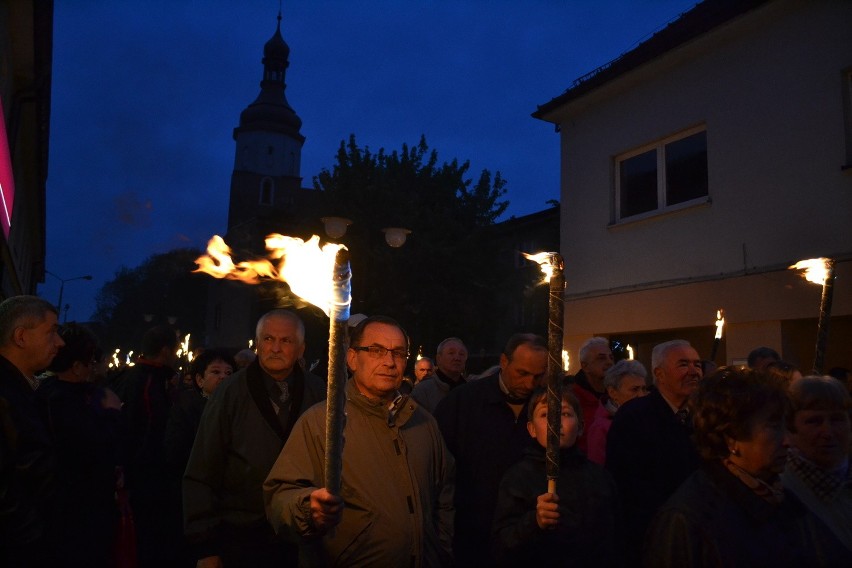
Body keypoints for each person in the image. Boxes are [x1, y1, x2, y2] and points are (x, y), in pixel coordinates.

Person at [264, 315, 454, 566]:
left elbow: (445, 495)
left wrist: (440, 552)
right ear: (352, 359)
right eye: (376, 351)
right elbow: (280, 497)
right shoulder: (322, 422)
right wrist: (308, 509)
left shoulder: (424, 422)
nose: (389, 361)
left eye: (398, 353)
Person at [645, 367, 849, 566]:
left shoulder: (781, 499)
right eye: (773, 426)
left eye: (785, 426)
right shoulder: (688, 518)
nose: (787, 440)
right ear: (731, 438)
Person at [184, 309, 326, 567]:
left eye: (286, 341)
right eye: (269, 339)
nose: (275, 348)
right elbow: (203, 468)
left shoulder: (319, 393)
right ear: (258, 343)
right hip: (241, 535)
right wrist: (205, 544)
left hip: (302, 535)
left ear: (301, 348)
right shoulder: (230, 392)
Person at [434, 333, 548, 567]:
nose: (529, 384)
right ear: (504, 362)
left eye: (538, 376)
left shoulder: (547, 405)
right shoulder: (462, 403)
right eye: (522, 373)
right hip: (474, 533)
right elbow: (439, 470)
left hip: (530, 532)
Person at [492, 387, 619, 566]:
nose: (555, 422)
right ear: (531, 428)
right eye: (545, 415)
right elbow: (503, 544)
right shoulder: (518, 478)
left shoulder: (599, 477)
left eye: (565, 414)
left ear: (581, 426)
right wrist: (535, 521)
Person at [605, 339, 702, 564]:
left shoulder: (702, 415)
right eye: (683, 364)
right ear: (659, 373)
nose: (693, 371)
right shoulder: (634, 418)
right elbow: (626, 486)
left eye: (697, 364)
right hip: (655, 538)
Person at [36, 322, 123, 567]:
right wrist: (112, 414)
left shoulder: (51, 392)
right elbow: (92, 450)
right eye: (91, 362)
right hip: (77, 514)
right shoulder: (66, 401)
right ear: (76, 367)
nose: (96, 368)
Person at [0, 296, 64, 565]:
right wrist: (34, 540)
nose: (60, 342)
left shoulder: (23, 390)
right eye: (51, 332)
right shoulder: (5, 395)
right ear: (21, 337)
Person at [111, 324, 179, 566]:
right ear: (165, 351)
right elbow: (153, 428)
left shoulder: (129, 376)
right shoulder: (150, 381)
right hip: (146, 475)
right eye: (175, 349)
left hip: (134, 471)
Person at [781, 375, 852, 554]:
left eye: (837, 419)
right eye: (814, 421)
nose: (828, 432)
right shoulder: (777, 489)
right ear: (790, 428)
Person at [586, 359, 648, 466]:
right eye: (634, 389)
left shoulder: (648, 417)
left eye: (643, 389)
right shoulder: (601, 429)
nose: (641, 395)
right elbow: (598, 470)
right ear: (613, 392)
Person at [566, 337, 613, 452]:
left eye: (611, 357)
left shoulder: (615, 396)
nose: (609, 362)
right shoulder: (571, 399)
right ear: (585, 366)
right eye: (601, 358)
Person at [411, 337, 468, 413]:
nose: (457, 358)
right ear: (439, 358)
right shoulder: (422, 391)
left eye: (461, 354)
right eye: (451, 353)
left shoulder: (470, 388)